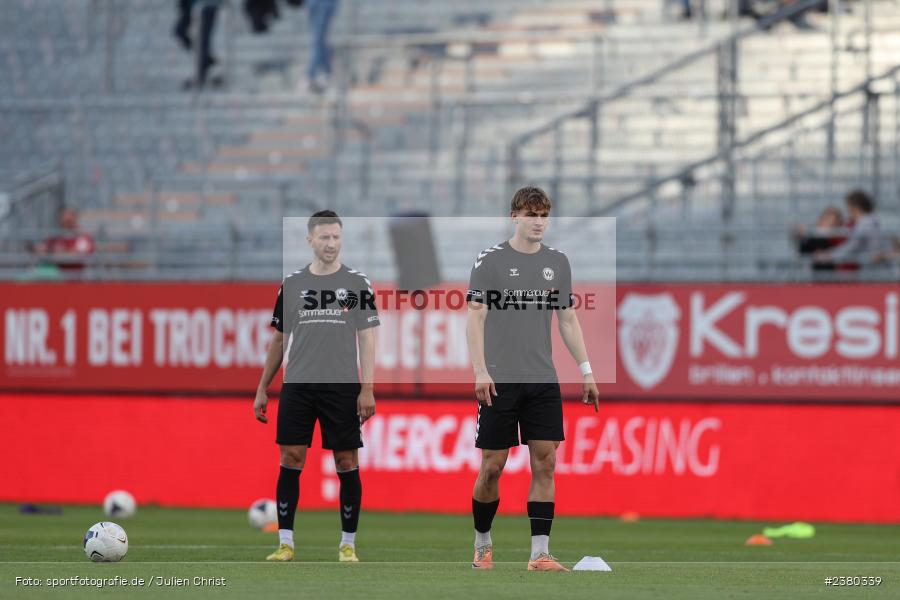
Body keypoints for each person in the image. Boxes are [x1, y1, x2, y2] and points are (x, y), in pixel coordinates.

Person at [465, 186, 600, 572]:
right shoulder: (490, 260)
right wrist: (480, 370)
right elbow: (475, 316)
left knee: (546, 461)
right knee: (493, 466)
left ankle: (540, 554)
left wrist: (586, 370)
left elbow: (568, 319)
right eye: (531, 215)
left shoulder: (557, 262)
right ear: (515, 216)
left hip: (542, 379)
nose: (538, 222)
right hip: (500, 379)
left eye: (543, 216)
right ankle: (482, 542)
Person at [254, 210, 379, 563]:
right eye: (324, 237)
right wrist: (263, 386)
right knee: (291, 458)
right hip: (299, 385)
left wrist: (367, 388)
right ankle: (285, 543)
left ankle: (348, 545)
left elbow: (367, 338)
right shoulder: (292, 284)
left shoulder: (357, 283)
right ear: (310, 239)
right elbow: (279, 339)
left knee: (346, 460)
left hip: (342, 386)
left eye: (336, 236)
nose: (331, 243)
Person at [814, 190, 886, 269]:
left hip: (873, 270)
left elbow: (852, 247)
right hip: (873, 268)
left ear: (856, 208)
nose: (847, 211)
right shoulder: (868, 221)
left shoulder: (866, 224)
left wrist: (829, 255)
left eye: (848, 207)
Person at [30, 206, 95, 275]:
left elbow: (77, 257)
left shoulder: (83, 238)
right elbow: (42, 249)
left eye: (70, 218)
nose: (66, 220)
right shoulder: (55, 238)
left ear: (75, 218)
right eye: (63, 217)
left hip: (76, 277)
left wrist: (56, 255)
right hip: (57, 276)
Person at [305, 0, 338, 93]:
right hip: (313, 3)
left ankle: (313, 74)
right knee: (319, 39)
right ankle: (325, 72)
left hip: (324, 3)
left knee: (319, 38)